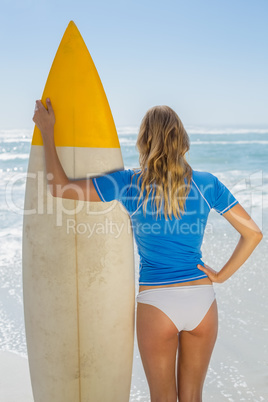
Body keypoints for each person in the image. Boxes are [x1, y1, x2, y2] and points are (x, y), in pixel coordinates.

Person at [33, 99, 263, 402]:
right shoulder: (208, 184)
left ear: (144, 141)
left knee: (162, 398)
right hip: (202, 301)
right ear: (182, 139)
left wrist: (47, 132)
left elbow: (59, 187)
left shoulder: (128, 184)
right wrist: (220, 276)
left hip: (157, 302)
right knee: (193, 397)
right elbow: (253, 233)